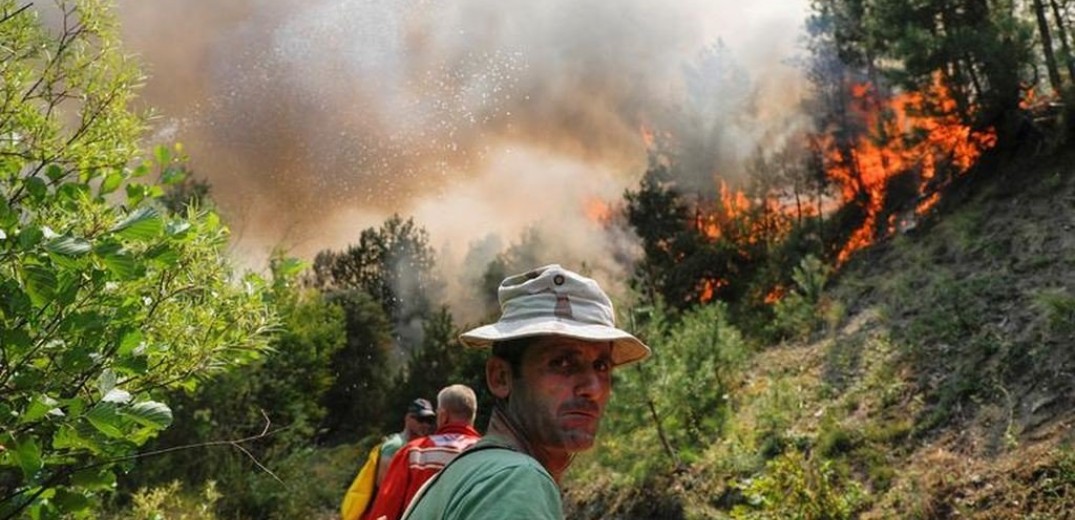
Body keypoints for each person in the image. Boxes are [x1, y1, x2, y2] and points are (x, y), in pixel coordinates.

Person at [401, 264, 651, 520]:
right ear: (500, 377)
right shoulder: (515, 481)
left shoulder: (473, 472)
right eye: (563, 362)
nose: (593, 388)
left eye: (601, 366)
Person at [366, 384, 482, 520]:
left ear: (443, 415)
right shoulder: (491, 454)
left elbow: (386, 507)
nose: (426, 425)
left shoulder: (413, 452)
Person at [340, 398, 436, 520]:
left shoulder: (423, 445)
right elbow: (384, 485)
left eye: (430, 420)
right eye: (421, 419)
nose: (426, 425)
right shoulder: (395, 445)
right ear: (408, 418)